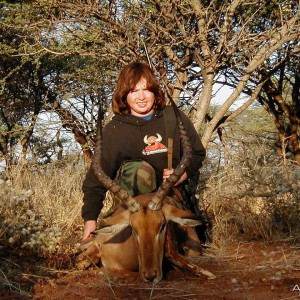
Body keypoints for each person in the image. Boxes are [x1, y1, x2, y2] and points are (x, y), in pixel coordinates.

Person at [81, 62, 206, 241]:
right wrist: (90, 219)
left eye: (146, 90)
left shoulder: (172, 117)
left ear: (155, 92)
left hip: (169, 199)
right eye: (133, 91)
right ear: (124, 95)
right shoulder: (114, 129)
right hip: (134, 208)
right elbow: (96, 178)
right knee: (140, 171)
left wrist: (182, 175)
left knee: (192, 249)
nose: (141, 97)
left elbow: (197, 153)